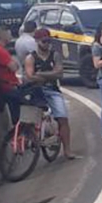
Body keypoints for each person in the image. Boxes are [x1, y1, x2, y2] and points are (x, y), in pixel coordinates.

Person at [25, 29, 77, 159]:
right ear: (37, 41)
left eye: (48, 41)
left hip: (52, 90)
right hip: (35, 90)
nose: (46, 44)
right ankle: (31, 139)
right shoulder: (30, 57)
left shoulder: (55, 55)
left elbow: (59, 73)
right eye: (44, 41)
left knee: (63, 118)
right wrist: (50, 75)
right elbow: (30, 77)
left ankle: (67, 150)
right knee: (28, 118)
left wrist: (41, 74)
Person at [0, 26, 21, 123]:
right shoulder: (0, 51)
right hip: (8, 86)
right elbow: (14, 67)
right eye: (8, 33)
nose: (11, 35)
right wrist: (13, 62)